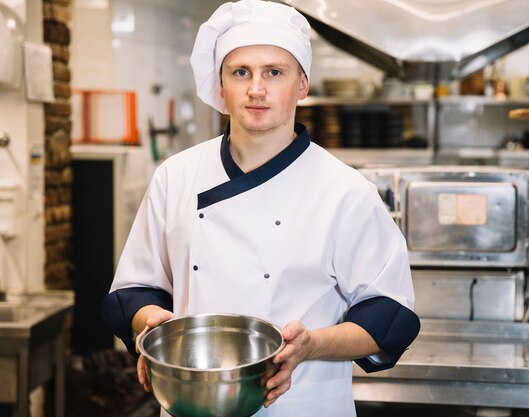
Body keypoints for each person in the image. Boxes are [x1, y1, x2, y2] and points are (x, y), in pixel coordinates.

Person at [101, 1, 420, 416]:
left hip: (302, 405)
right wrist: (151, 327)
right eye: (241, 72)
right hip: (189, 403)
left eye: (274, 72)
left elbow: (389, 315)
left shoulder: (345, 191)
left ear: (302, 86)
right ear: (221, 86)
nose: (256, 89)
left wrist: (313, 344)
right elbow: (134, 291)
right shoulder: (175, 176)